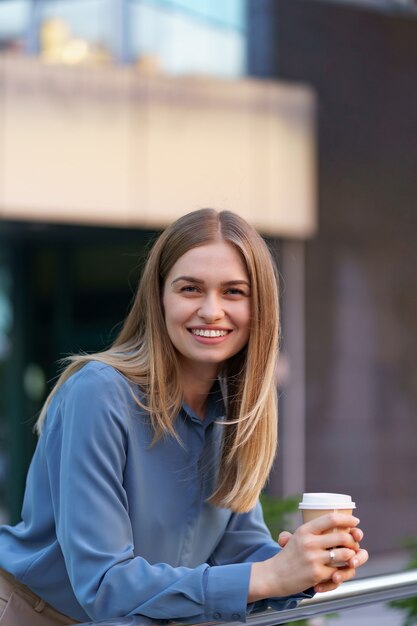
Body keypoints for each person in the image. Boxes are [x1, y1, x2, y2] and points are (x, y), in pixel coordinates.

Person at [0, 209, 368, 626]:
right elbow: (104, 586)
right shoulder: (99, 392)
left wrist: (305, 566)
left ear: (260, 307)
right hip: (31, 614)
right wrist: (267, 576)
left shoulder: (234, 414)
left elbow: (240, 551)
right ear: (159, 299)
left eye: (233, 292)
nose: (211, 311)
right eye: (190, 288)